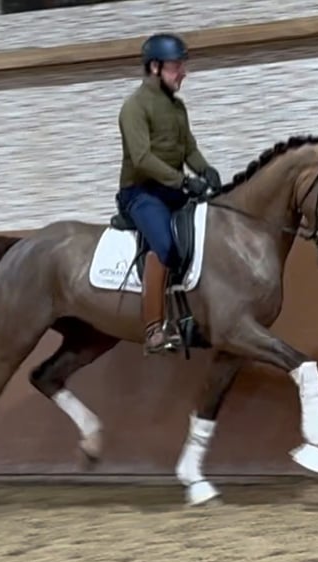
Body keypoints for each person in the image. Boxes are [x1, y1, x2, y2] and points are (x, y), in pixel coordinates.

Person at [116, 32, 222, 355]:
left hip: (171, 189)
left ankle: (193, 319)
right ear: (154, 67)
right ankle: (153, 330)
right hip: (141, 192)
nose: (183, 73)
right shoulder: (134, 108)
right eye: (177, 67)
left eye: (182, 66)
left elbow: (188, 147)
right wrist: (182, 182)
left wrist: (205, 170)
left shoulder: (177, 108)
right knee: (165, 245)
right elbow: (143, 159)